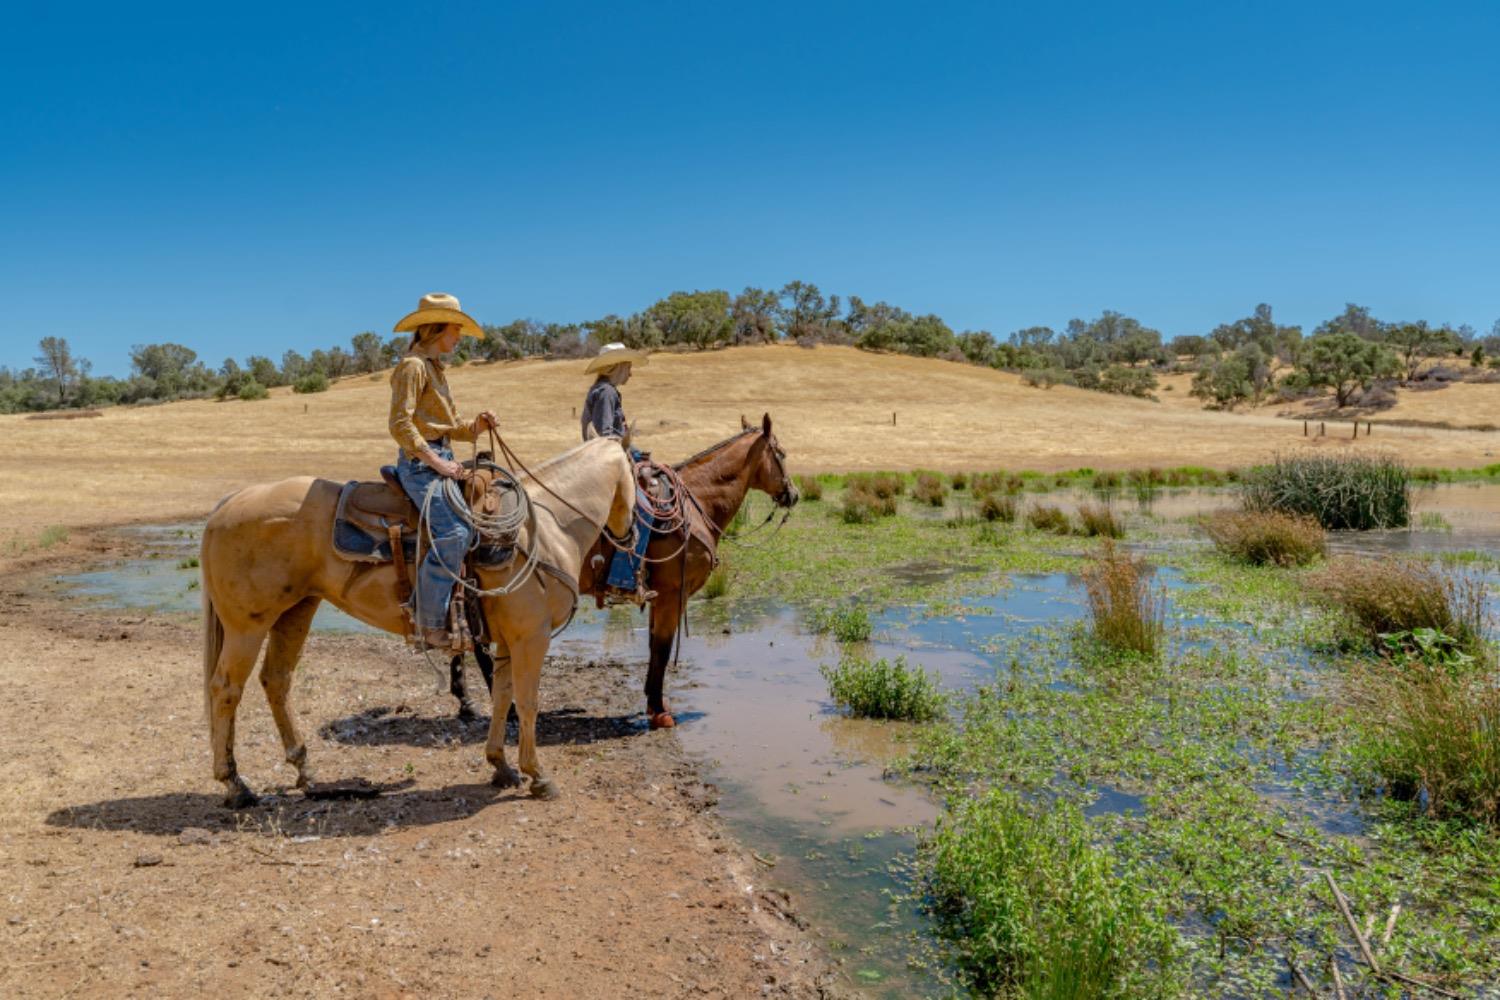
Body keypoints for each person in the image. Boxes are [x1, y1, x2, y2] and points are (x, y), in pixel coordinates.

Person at [388, 292, 497, 648]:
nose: (459, 337)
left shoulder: (434, 368)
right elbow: (400, 424)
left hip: (439, 457)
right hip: (420, 466)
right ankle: (427, 623)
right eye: (456, 329)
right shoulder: (413, 366)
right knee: (453, 534)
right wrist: (436, 463)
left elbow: (448, 428)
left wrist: (477, 426)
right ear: (436, 329)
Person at [581, 342, 654, 604]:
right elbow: (605, 440)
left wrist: (636, 452)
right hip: (608, 465)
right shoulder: (606, 393)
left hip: (612, 459)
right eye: (629, 366)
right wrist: (629, 454)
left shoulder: (605, 391)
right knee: (646, 511)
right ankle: (622, 581)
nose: (631, 372)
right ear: (618, 366)